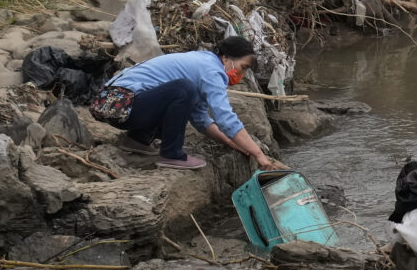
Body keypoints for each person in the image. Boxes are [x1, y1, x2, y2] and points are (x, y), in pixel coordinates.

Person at [88, 36, 284, 171]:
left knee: (183, 92)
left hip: (113, 104)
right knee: (183, 88)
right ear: (226, 58)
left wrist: (230, 142)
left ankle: (137, 139)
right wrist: (258, 154)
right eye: (242, 67)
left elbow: (200, 119)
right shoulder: (212, 70)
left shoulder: (201, 64)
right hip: (118, 104)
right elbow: (224, 117)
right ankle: (171, 154)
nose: (240, 75)